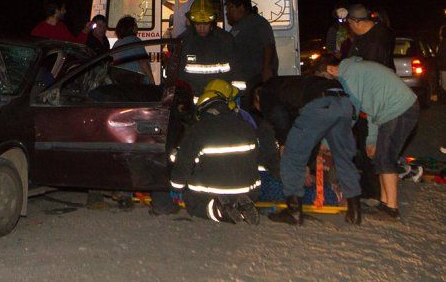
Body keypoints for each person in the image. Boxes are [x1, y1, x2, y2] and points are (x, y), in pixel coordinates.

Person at [319, 56, 419, 221]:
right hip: (392, 111)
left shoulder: (349, 75)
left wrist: (327, 142)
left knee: (386, 158)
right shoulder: (356, 72)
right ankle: (384, 204)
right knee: (381, 157)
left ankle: (392, 209)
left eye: (326, 79)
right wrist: (371, 140)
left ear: (330, 69)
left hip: (400, 109)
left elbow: (350, 113)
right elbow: (372, 109)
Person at [253, 75, 362, 225]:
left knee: (291, 157)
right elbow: (312, 136)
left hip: (320, 104)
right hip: (343, 103)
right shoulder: (292, 89)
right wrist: (307, 162)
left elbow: (278, 115)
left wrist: (284, 144)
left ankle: (294, 212)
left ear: (257, 97)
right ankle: (355, 212)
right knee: (344, 159)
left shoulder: (265, 91)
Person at [170, 80, 260, 224]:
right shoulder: (246, 126)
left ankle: (218, 209)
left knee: (193, 204)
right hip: (249, 189)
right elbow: (256, 158)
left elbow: (184, 162)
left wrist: (176, 187)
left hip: (210, 192)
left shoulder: (198, 129)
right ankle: (240, 203)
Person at [225, 0, 278, 108]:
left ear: (241, 7)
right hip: (244, 81)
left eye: (230, 8)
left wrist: (267, 70)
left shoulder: (257, 23)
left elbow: (268, 45)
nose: (227, 12)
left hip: (256, 79)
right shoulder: (237, 27)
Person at [177, 0, 235, 99]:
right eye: (198, 24)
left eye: (206, 24)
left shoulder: (226, 40)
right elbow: (178, 76)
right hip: (192, 101)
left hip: (220, 99)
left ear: (212, 22)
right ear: (192, 22)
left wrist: (234, 95)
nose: (202, 28)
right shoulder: (183, 42)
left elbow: (236, 70)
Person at [345, 4, 395, 69]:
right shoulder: (376, 29)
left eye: (349, 23)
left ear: (356, 23)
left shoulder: (374, 42)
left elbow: (369, 70)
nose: (349, 26)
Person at [111, 16, 155, 85]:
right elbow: (143, 61)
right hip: (136, 81)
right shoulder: (135, 41)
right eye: (135, 25)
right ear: (132, 28)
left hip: (120, 82)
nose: (137, 27)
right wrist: (152, 80)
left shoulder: (117, 43)